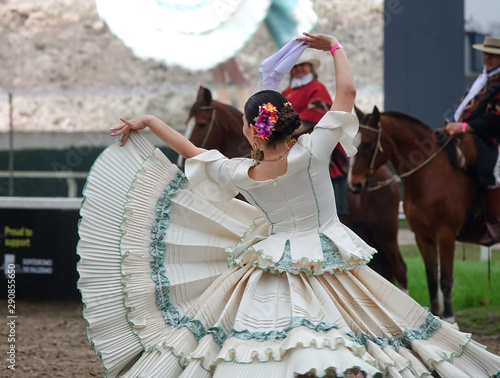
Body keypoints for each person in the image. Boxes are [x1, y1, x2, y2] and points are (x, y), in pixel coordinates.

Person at [77, 33, 500, 377]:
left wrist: (149, 122)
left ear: (252, 131)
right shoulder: (313, 152)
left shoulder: (242, 172)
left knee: (266, 340)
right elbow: (348, 92)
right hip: (329, 258)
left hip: (273, 262)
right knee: (371, 333)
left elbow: (192, 150)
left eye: (244, 122)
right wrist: (334, 47)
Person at [445, 35, 500, 246]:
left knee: (494, 170)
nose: (488, 58)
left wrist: (466, 126)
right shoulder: (484, 79)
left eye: (493, 55)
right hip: (472, 133)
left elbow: (496, 118)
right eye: (486, 53)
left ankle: (495, 224)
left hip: (493, 137)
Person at [282, 49, 349, 216]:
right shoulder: (286, 93)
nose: (298, 69)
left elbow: (313, 117)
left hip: (315, 142)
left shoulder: (317, 88)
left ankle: (337, 212)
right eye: (295, 66)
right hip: (288, 143)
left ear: (310, 68)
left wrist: (283, 131)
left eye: (302, 65)